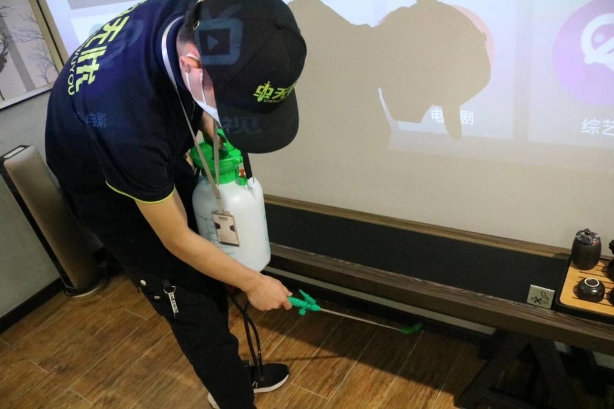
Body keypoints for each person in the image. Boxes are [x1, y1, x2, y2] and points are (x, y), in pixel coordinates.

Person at [44, 0, 307, 407]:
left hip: (148, 152)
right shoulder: (128, 122)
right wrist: (254, 283)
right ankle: (232, 397)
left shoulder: (202, 13)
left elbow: (198, 98)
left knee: (213, 263)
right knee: (189, 300)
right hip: (106, 190)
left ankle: (230, 374)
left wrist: (213, 125)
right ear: (192, 66)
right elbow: (177, 239)